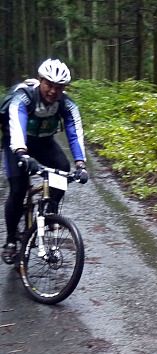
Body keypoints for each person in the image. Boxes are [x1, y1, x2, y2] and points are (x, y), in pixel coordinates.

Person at [1, 58, 88, 264]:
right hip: (17, 142)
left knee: (63, 168)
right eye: (49, 84)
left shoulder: (67, 105)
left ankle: (49, 211)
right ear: (40, 80)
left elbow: (74, 133)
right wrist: (22, 153)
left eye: (59, 87)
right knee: (18, 189)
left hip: (45, 142)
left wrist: (81, 164)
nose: (53, 91)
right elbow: (17, 122)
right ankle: (11, 240)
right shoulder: (23, 98)